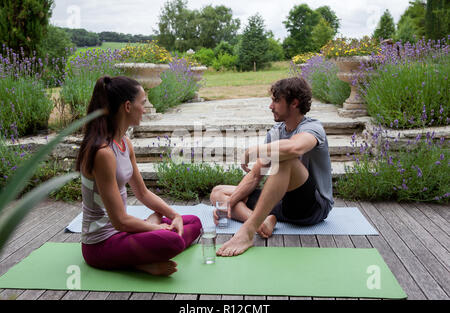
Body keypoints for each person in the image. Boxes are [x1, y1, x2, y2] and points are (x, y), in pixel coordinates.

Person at [75, 75, 202, 276]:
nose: (145, 108)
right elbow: (120, 222)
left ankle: (143, 250)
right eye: (143, 103)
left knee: (194, 222)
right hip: (100, 244)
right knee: (173, 240)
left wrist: (174, 216)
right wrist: (157, 230)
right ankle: (138, 263)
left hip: (123, 232)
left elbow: (142, 193)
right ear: (127, 106)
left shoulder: (124, 143)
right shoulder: (103, 153)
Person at [210, 77, 334, 257]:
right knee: (218, 193)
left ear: (294, 103)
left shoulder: (313, 128)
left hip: (312, 207)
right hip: (282, 203)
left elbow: (294, 148)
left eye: (276, 101)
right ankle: (264, 221)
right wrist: (229, 203)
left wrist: (255, 150)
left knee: (285, 159)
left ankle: (248, 230)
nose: (271, 106)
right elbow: (254, 176)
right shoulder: (275, 132)